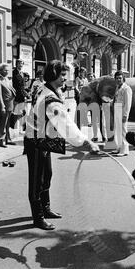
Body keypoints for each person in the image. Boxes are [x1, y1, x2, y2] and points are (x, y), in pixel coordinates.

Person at [23, 60, 100, 230]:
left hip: (43, 139)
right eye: (63, 75)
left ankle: (46, 208)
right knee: (37, 180)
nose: (66, 79)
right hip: (36, 140)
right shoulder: (50, 98)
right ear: (53, 75)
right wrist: (86, 142)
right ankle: (38, 217)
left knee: (47, 175)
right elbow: (66, 125)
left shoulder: (47, 89)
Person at [0, 63, 16, 147]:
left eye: (8, 70)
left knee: (8, 123)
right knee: (2, 122)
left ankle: (7, 139)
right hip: (4, 105)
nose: (7, 72)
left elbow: (11, 90)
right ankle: (0, 140)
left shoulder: (6, 79)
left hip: (10, 104)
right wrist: (2, 106)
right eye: (5, 70)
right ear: (0, 70)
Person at [112, 71, 132, 156]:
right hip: (117, 109)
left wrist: (125, 115)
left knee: (123, 131)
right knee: (117, 131)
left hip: (122, 111)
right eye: (116, 78)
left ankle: (124, 150)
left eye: (120, 78)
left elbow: (128, 103)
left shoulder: (126, 88)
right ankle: (119, 148)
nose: (118, 80)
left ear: (123, 79)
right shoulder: (117, 87)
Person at [10, 59, 30, 132]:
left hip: (22, 96)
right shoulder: (13, 73)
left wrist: (25, 94)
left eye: (22, 64)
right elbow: (14, 85)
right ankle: (13, 128)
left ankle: (21, 128)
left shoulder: (22, 73)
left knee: (23, 112)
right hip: (16, 97)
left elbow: (22, 86)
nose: (20, 65)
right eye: (19, 63)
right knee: (15, 113)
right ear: (16, 64)